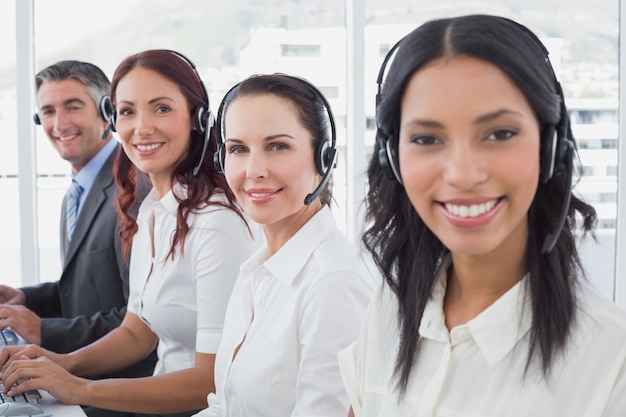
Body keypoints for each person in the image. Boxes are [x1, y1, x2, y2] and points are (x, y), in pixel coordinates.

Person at [338, 14, 626, 417]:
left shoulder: (612, 362)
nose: (464, 174)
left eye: (500, 134)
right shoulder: (390, 310)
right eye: (427, 139)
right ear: (392, 159)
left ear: (550, 147)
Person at [0, 49, 258, 417]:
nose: (142, 126)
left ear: (198, 118)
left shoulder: (218, 222)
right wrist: (60, 362)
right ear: (114, 120)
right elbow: (138, 331)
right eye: (127, 111)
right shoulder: (154, 210)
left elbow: (212, 381)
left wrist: (80, 388)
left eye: (162, 108)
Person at [192, 74, 377, 417]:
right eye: (238, 149)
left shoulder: (333, 283)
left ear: (323, 159)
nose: (254, 170)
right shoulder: (257, 270)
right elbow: (225, 407)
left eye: (278, 146)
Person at [0, 60, 156, 381]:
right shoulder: (80, 189)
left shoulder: (133, 192)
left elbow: (142, 318)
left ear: (106, 113)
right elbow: (90, 290)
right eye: (47, 111)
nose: (59, 124)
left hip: (123, 385)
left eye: (72, 107)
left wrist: (43, 330)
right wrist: (27, 299)